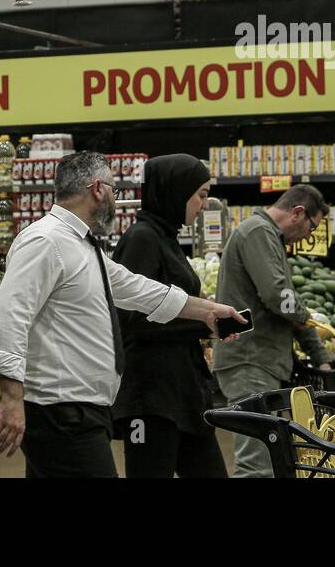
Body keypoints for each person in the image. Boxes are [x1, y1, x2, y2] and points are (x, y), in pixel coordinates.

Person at [0, 151, 244, 477]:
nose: (115, 199)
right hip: (61, 412)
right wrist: (11, 399)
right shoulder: (44, 241)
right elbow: (8, 319)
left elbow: (136, 288)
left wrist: (207, 312)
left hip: (81, 410)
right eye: (114, 190)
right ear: (97, 188)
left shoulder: (81, 244)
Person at [111, 154, 228, 478]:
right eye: (201, 195)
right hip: (151, 399)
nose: (204, 205)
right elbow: (131, 318)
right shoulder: (141, 239)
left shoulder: (166, 237)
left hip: (184, 393)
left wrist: (206, 320)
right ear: (176, 191)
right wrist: (201, 321)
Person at [212, 184, 335, 478]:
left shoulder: (270, 239)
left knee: (269, 460)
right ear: (297, 213)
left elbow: (286, 303)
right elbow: (277, 294)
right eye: (312, 227)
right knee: (256, 465)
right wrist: (308, 316)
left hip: (261, 361)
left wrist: (321, 357)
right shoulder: (258, 232)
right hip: (249, 360)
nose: (308, 236)